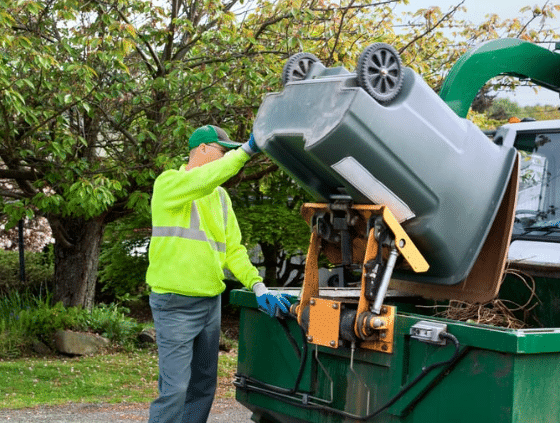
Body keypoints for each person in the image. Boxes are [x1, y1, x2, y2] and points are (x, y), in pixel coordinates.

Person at [146, 124, 292, 423]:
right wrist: (246, 152)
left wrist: (258, 284)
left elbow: (234, 250)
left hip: (209, 303)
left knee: (203, 388)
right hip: (174, 304)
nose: (226, 158)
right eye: (222, 151)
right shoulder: (168, 184)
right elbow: (205, 178)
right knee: (174, 390)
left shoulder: (221, 198)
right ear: (201, 149)